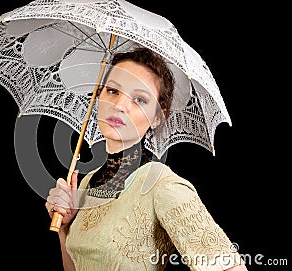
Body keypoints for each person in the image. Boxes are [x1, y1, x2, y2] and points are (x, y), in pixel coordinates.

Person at [45, 47, 248, 271]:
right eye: (113, 91)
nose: (120, 106)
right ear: (98, 96)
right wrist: (65, 230)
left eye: (140, 99)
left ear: (156, 117)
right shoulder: (87, 182)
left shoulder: (162, 185)